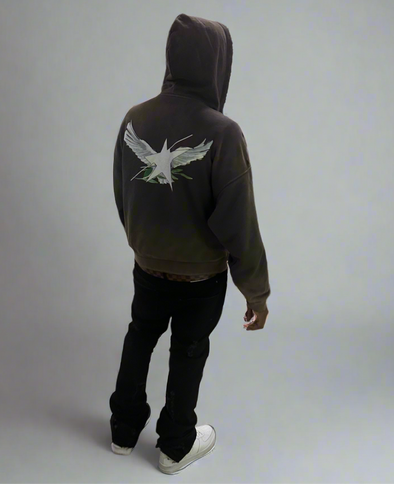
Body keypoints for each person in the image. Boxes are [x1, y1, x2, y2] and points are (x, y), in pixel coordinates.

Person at [109, 13, 271, 475]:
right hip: (200, 277)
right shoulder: (223, 132)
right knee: (188, 349)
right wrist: (256, 292)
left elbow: (123, 193)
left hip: (147, 265)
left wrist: (144, 243)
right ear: (218, 64)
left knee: (140, 335)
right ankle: (175, 446)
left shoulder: (135, 118)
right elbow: (239, 222)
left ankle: (122, 431)